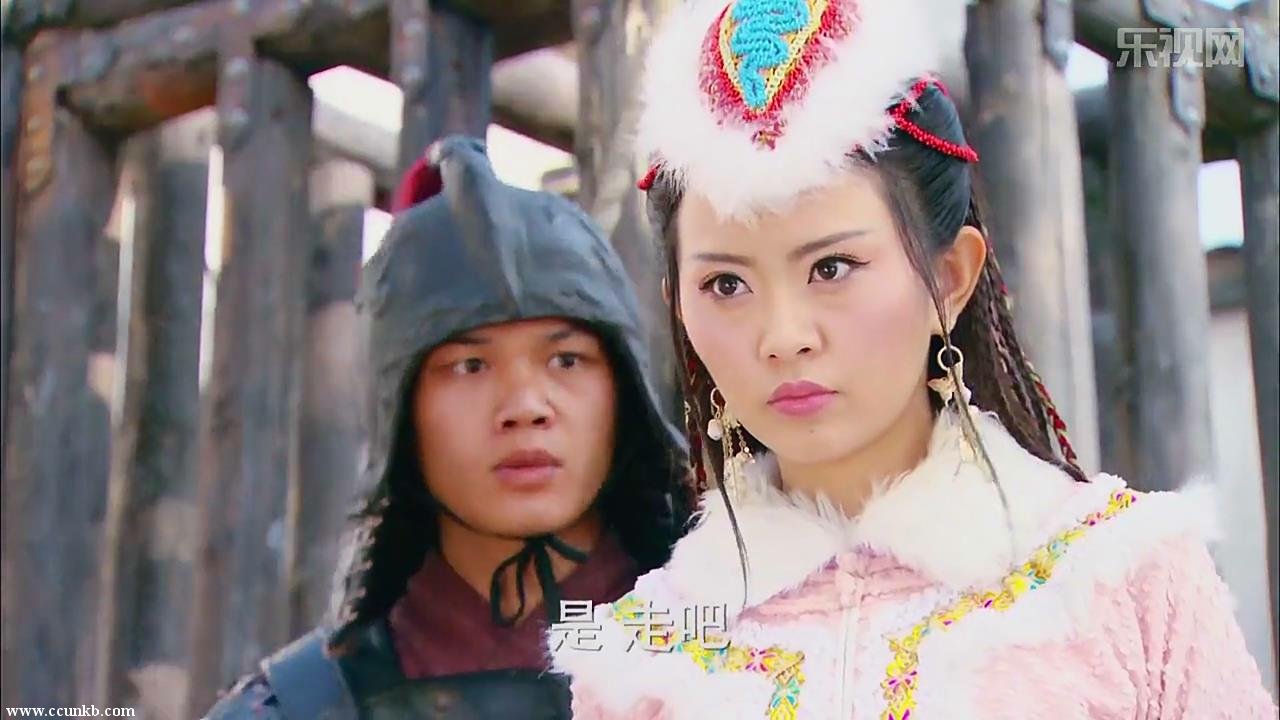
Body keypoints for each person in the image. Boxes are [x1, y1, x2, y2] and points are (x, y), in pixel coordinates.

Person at [550, 1, 1278, 718]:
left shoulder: (1126, 577)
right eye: (726, 285)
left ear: (950, 279)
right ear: (680, 306)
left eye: (832, 268)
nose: (783, 336)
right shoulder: (639, 649)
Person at [203, 136, 692, 719]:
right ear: (400, 408)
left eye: (567, 360)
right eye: (469, 366)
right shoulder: (292, 711)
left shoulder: (748, 666)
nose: (525, 406)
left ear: (624, 392)